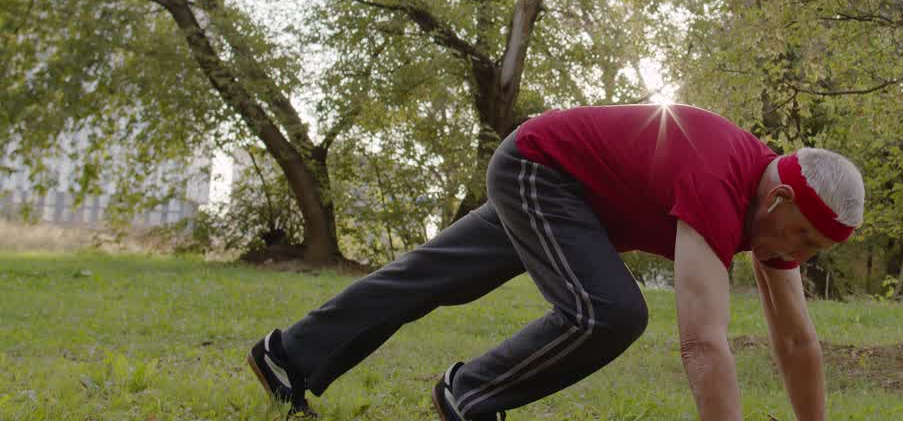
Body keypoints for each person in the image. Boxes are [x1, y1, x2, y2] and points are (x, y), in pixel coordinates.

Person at [248, 103, 864, 420]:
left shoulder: (771, 216)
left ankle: (289, 356)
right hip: (542, 169)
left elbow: (797, 343)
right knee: (610, 312)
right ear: (781, 198)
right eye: (804, 240)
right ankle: (469, 395)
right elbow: (703, 343)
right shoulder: (721, 185)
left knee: (434, 276)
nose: (798, 258)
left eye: (814, 250)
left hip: (569, 191)